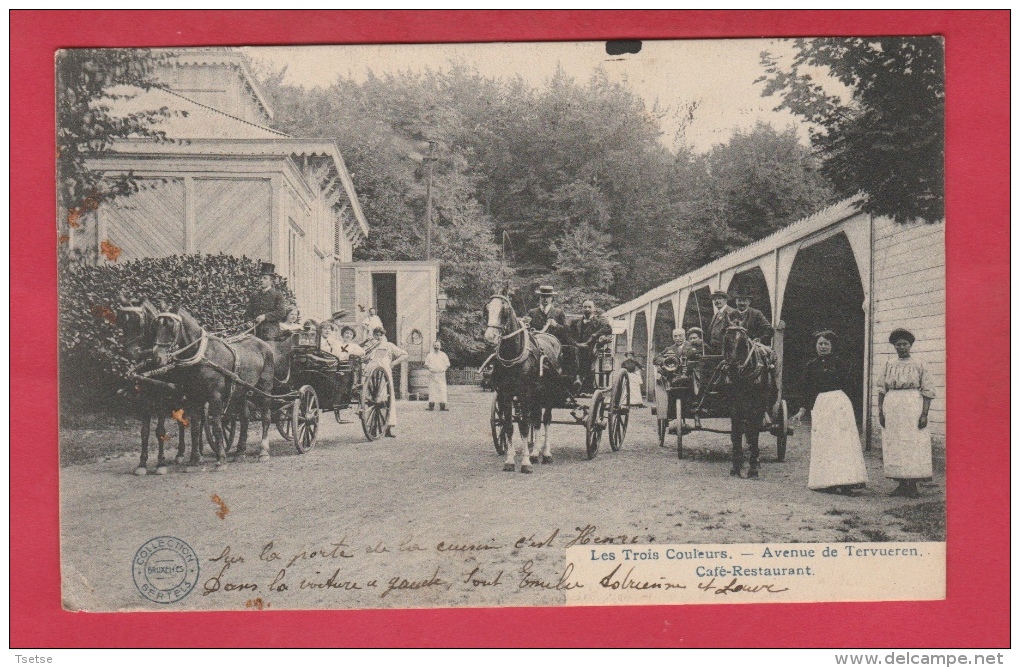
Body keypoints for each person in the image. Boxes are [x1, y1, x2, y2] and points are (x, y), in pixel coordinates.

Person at [792, 330, 868, 495]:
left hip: (839, 403)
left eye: (826, 343)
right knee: (825, 441)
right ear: (816, 346)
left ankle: (847, 482)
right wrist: (802, 410)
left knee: (842, 442)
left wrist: (850, 406)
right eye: (820, 343)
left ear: (832, 346)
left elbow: (851, 385)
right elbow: (806, 390)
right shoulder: (811, 366)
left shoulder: (841, 363)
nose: (823, 347)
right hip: (821, 405)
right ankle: (828, 482)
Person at [877, 328, 935, 498]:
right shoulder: (888, 364)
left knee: (913, 442)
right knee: (896, 442)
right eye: (898, 344)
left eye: (904, 344)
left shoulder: (919, 364)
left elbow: (928, 391)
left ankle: (913, 485)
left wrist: (924, 414)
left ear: (910, 345)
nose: (901, 347)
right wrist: (880, 412)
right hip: (893, 406)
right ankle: (901, 484)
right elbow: (881, 390)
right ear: (894, 346)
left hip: (912, 405)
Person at [365, 326, 408, 438]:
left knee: (386, 400)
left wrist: (393, 363)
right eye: (376, 334)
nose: (378, 337)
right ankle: (373, 427)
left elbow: (405, 354)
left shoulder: (388, 345)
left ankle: (388, 428)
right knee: (372, 400)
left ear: (383, 335)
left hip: (385, 376)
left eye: (381, 335)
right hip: (371, 375)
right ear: (373, 335)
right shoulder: (369, 346)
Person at [570, 299, 613, 394]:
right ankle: (575, 382)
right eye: (585, 307)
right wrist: (577, 344)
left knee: (588, 357)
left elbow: (608, 332)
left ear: (594, 309)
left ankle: (586, 386)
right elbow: (570, 336)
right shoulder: (575, 322)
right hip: (577, 348)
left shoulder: (600, 323)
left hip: (591, 349)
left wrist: (595, 338)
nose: (587, 309)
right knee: (571, 355)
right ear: (582, 308)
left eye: (589, 307)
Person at [244, 262, 289, 341]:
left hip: (271, 329)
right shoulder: (255, 295)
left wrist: (265, 316)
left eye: (264, 278)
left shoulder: (277, 295)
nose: (261, 280)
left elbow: (281, 312)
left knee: (268, 341)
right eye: (260, 278)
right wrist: (248, 321)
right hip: (255, 328)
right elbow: (248, 312)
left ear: (271, 281)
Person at [424, 340, 451, 411]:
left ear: (440, 346)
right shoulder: (430, 355)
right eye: (435, 345)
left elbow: (447, 364)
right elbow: (426, 365)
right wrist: (431, 369)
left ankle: (442, 406)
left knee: (442, 389)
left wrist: (443, 369)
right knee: (432, 389)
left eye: (437, 345)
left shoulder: (443, 355)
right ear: (433, 346)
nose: (436, 347)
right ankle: (431, 406)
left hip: (441, 374)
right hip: (432, 374)